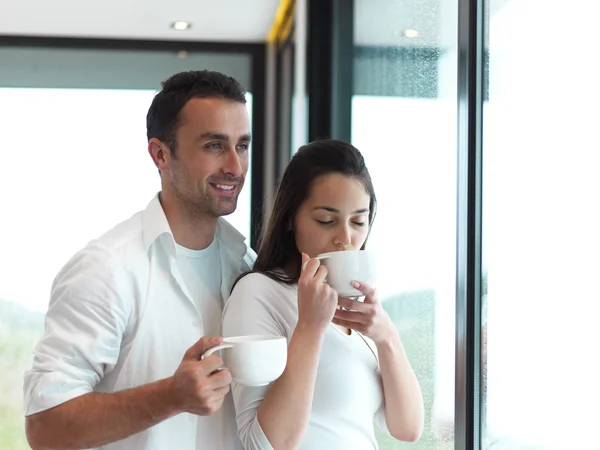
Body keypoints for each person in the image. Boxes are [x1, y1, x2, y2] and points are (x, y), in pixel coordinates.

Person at [23, 70, 256, 450]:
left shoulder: (247, 267)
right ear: (160, 154)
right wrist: (171, 396)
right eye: (214, 146)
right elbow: (45, 427)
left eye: (242, 146)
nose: (235, 166)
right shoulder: (106, 270)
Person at [222, 139, 424, 449]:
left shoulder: (359, 316)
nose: (345, 238)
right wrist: (310, 327)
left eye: (358, 221)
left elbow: (407, 428)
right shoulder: (259, 292)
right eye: (326, 221)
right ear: (291, 218)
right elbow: (263, 444)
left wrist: (386, 336)